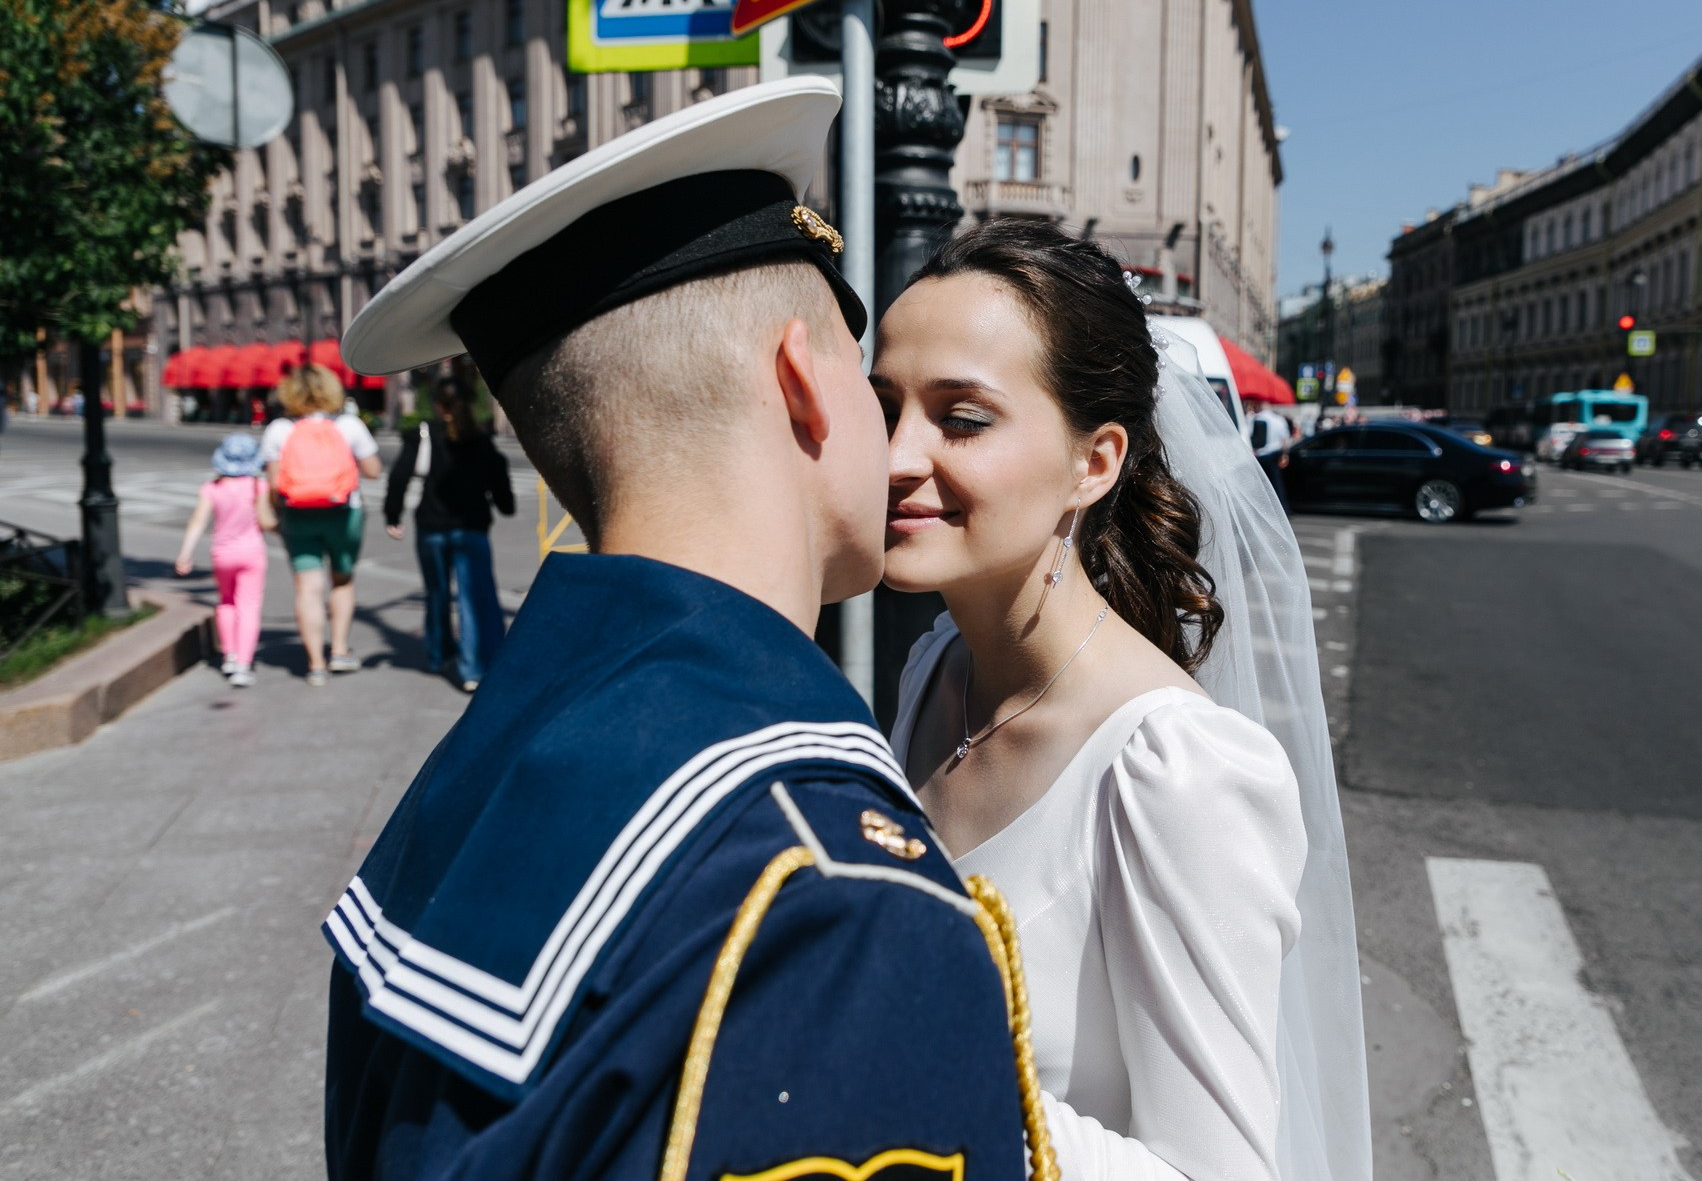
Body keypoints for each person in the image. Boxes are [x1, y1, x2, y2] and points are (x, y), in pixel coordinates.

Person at [326, 79, 1044, 1181]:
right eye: (868, 386)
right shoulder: (829, 902)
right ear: (802, 381)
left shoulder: (487, 756)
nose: (898, 449)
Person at [873, 217, 1370, 1181]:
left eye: (961, 419)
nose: (895, 456)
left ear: (1093, 463)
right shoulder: (937, 665)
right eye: (881, 405)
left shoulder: (1178, 772)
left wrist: (898, 1082)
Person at [383, 375, 516, 691]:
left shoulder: (424, 435)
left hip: (431, 527)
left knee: (437, 593)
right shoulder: (482, 440)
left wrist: (393, 514)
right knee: (474, 598)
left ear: (438, 405)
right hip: (471, 529)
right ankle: (474, 667)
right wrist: (503, 503)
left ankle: (437, 654)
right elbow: (501, 487)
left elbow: (399, 476)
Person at [261, 364, 383, 685]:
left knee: (308, 588)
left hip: (298, 514)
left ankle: (316, 665)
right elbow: (373, 471)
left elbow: (274, 483)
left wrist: (274, 515)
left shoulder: (278, 430)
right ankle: (340, 650)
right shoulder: (349, 425)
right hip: (344, 513)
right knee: (341, 581)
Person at [174, 432, 277, 688]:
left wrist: (185, 553)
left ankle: (229, 656)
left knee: (226, 602)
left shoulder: (211, 488)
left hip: (222, 554)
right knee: (249, 607)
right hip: (252, 553)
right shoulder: (258, 486)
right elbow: (265, 521)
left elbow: (198, 521)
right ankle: (243, 665)